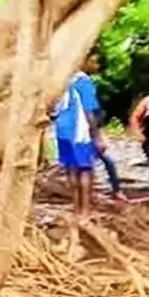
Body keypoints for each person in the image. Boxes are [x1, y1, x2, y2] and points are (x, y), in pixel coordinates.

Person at [50, 56, 102, 216]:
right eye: (94, 60)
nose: (96, 65)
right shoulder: (84, 82)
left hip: (62, 129)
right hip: (80, 131)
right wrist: (97, 136)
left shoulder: (61, 80)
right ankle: (85, 210)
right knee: (85, 169)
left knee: (71, 170)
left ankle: (76, 207)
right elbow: (89, 112)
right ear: (83, 61)